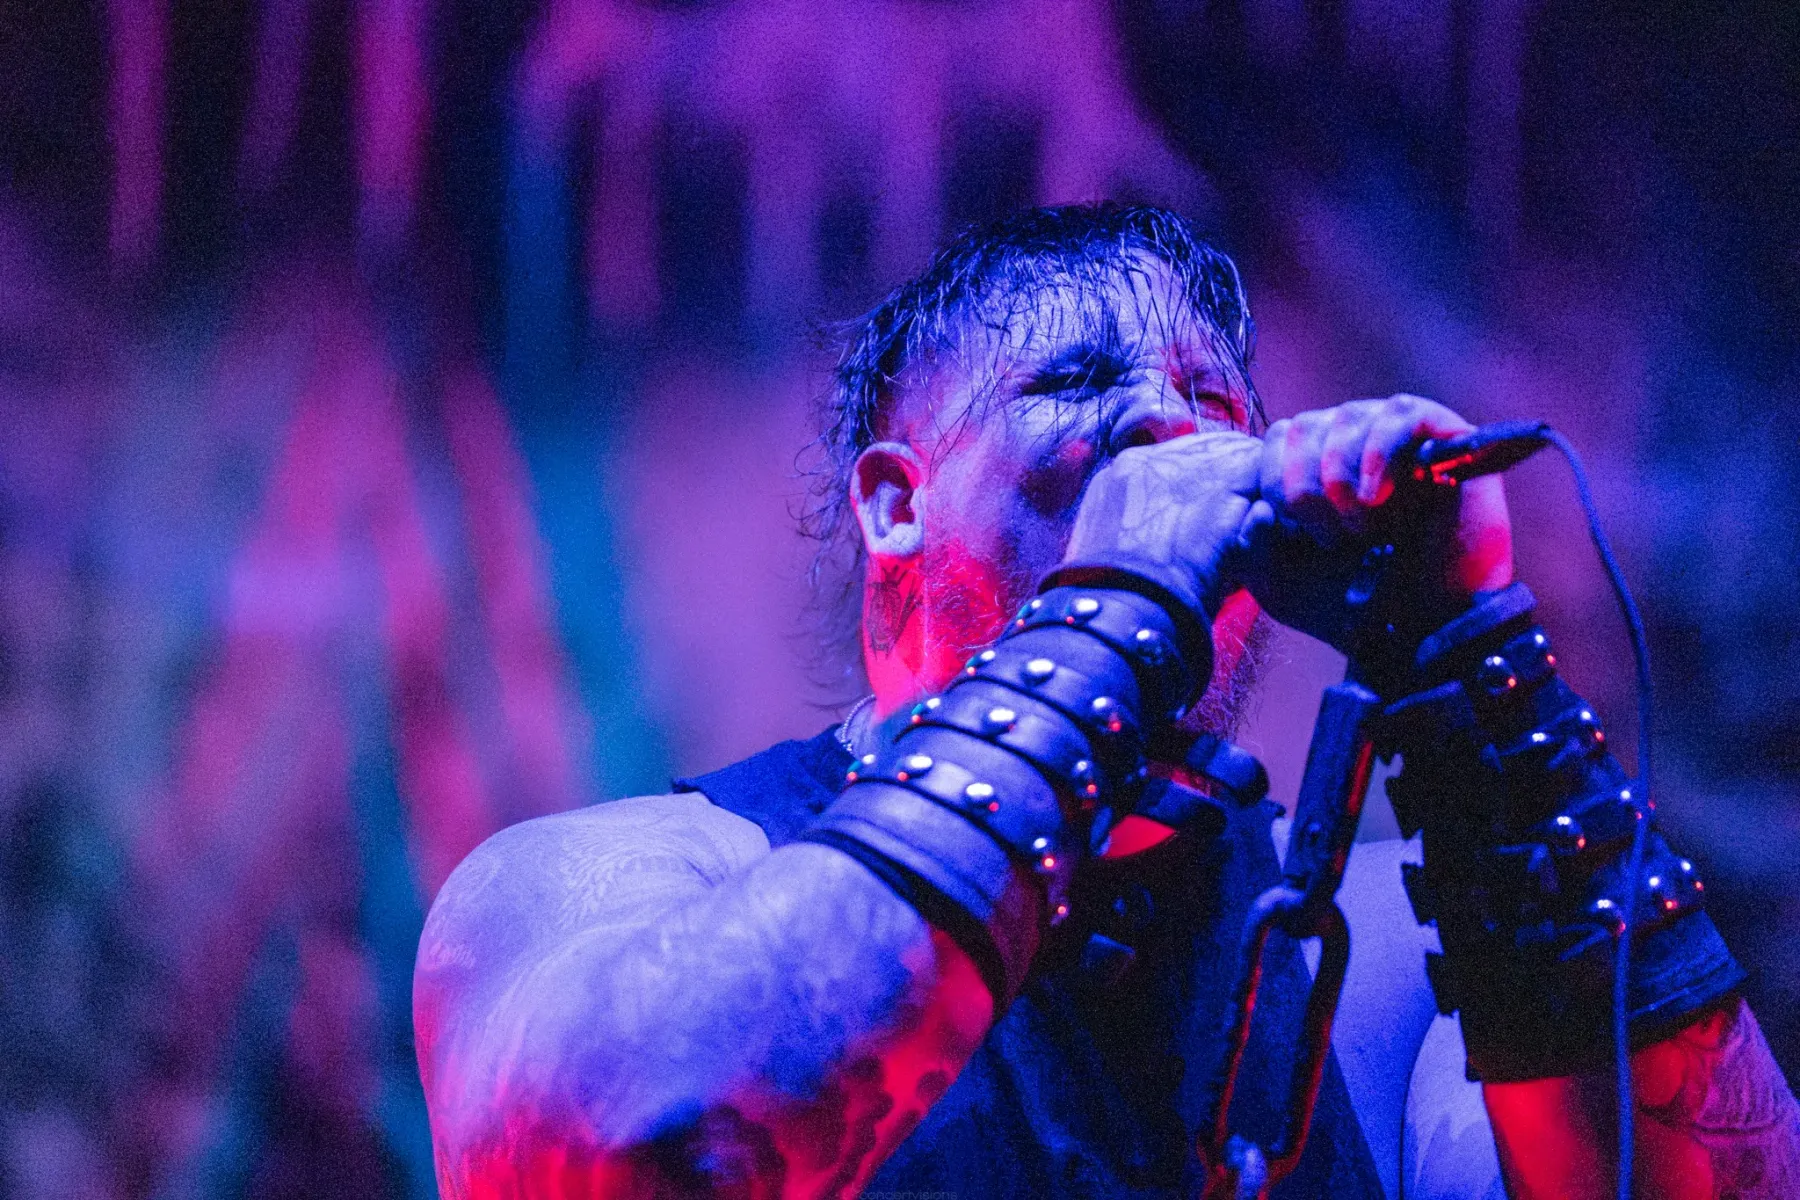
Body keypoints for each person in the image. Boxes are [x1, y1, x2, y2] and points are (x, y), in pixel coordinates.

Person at [412, 204, 1799, 1198]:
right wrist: (1117, 612)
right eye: (1078, 384)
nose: (1167, 428)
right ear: (896, 506)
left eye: (1215, 404)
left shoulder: (1380, 955)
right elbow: (638, 1149)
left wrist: (1473, 666)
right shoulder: (624, 876)